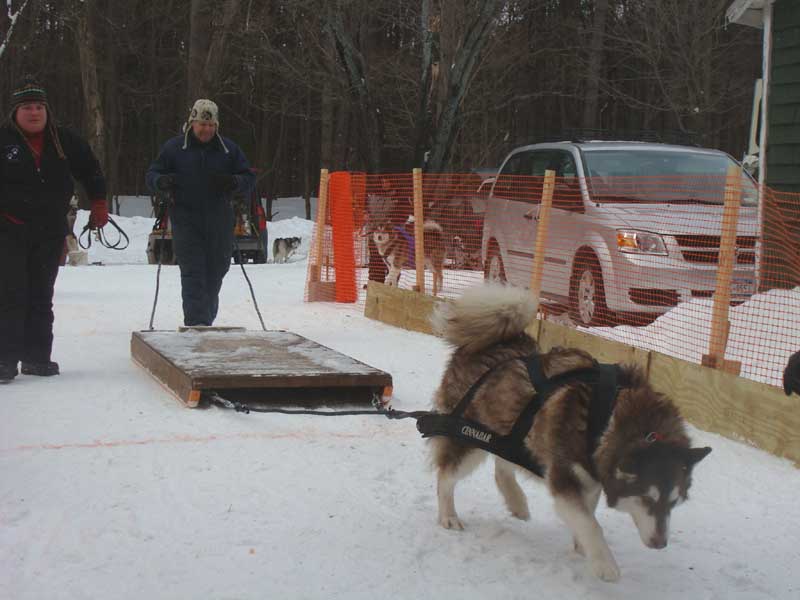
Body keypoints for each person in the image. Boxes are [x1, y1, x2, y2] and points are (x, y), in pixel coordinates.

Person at [0, 77, 108, 383]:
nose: (34, 113)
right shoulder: (3, 139)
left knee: (41, 294)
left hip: (49, 230)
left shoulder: (65, 140)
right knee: (9, 293)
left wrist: (99, 203)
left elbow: (91, 170)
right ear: (15, 112)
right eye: (26, 108)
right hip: (8, 228)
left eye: (38, 107)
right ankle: (4, 360)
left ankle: (37, 358)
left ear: (46, 110)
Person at [145, 99, 255, 327]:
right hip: (186, 219)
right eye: (202, 124)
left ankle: (205, 319)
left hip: (220, 220)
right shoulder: (174, 148)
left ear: (216, 126)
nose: (206, 129)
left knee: (216, 271)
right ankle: (197, 325)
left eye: (211, 125)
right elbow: (152, 174)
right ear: (192, 123)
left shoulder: (229, 149)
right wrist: (161, 181)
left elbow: (249, 178)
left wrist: (234, 182)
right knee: (193, 273)